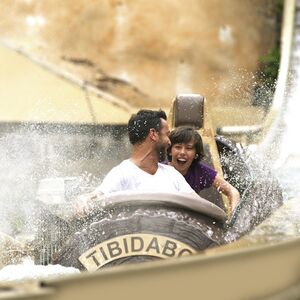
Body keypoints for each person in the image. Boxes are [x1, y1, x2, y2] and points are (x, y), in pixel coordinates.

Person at [75, 109, 196, 215]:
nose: (169, 142)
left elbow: (198, 204)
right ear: (153, 134)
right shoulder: (122, 173)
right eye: (167, 135)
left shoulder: (172, 174)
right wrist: (83, 200)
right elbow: (96, 196)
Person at [167, 126, 240, 211]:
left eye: (189, 148)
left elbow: (232, 191)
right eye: (178, 147)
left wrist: (234, 213)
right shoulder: (160, 170)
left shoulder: (200, 171)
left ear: (196, 154)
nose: (182, 152)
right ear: (169, 151)